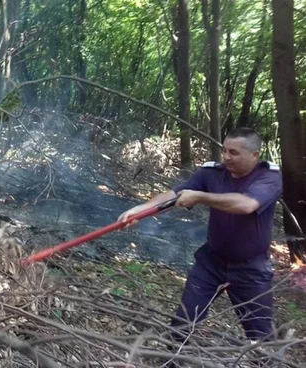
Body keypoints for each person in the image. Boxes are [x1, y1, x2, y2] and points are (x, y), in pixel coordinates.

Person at [118, 127, 283, 346]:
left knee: (261, 336)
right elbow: (177, 194)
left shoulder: (269, 177)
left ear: (254, 155)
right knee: (183, 321)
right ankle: (172, 360)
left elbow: (246, 205)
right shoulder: (211, 173)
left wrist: (200, 197)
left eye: (234, 152)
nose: (226, 157)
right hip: (211, 263)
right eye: (224, 150)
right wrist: (142, 208)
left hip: (251, 268)